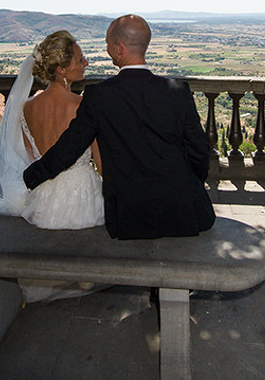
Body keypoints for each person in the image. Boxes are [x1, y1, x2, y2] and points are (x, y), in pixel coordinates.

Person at [23, 15, 215, 240]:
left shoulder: (99, 96)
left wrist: (32, 177)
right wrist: (193, 183)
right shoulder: (178, 91)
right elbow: (199, 150)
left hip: (129, 216)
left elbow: (69, 147)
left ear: (119, 48)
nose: (106, 49)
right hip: (184, 212)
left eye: (107, 44)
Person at [0, 30, 104, 230]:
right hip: (84, 199)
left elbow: (30, 155)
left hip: (43, 200)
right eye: (81, 59)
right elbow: (100, 162)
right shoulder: (85, 106)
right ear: (62, 69)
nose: (86, 63)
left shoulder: (26, 107)